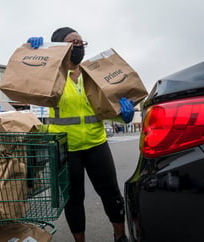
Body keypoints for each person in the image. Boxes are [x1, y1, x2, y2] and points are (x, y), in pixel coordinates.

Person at [27, 27, 134, 242]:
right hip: (66, 148)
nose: (78, 47)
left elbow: (102, 108)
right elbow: (29, 79)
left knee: (112, 194)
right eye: (72, 42)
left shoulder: (93, 74)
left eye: (81, 43)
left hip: (97, 144)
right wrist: (34, 52)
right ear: (60, 47)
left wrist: (122, 116)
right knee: (74, 200)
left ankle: (120, 236)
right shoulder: (51, 75)